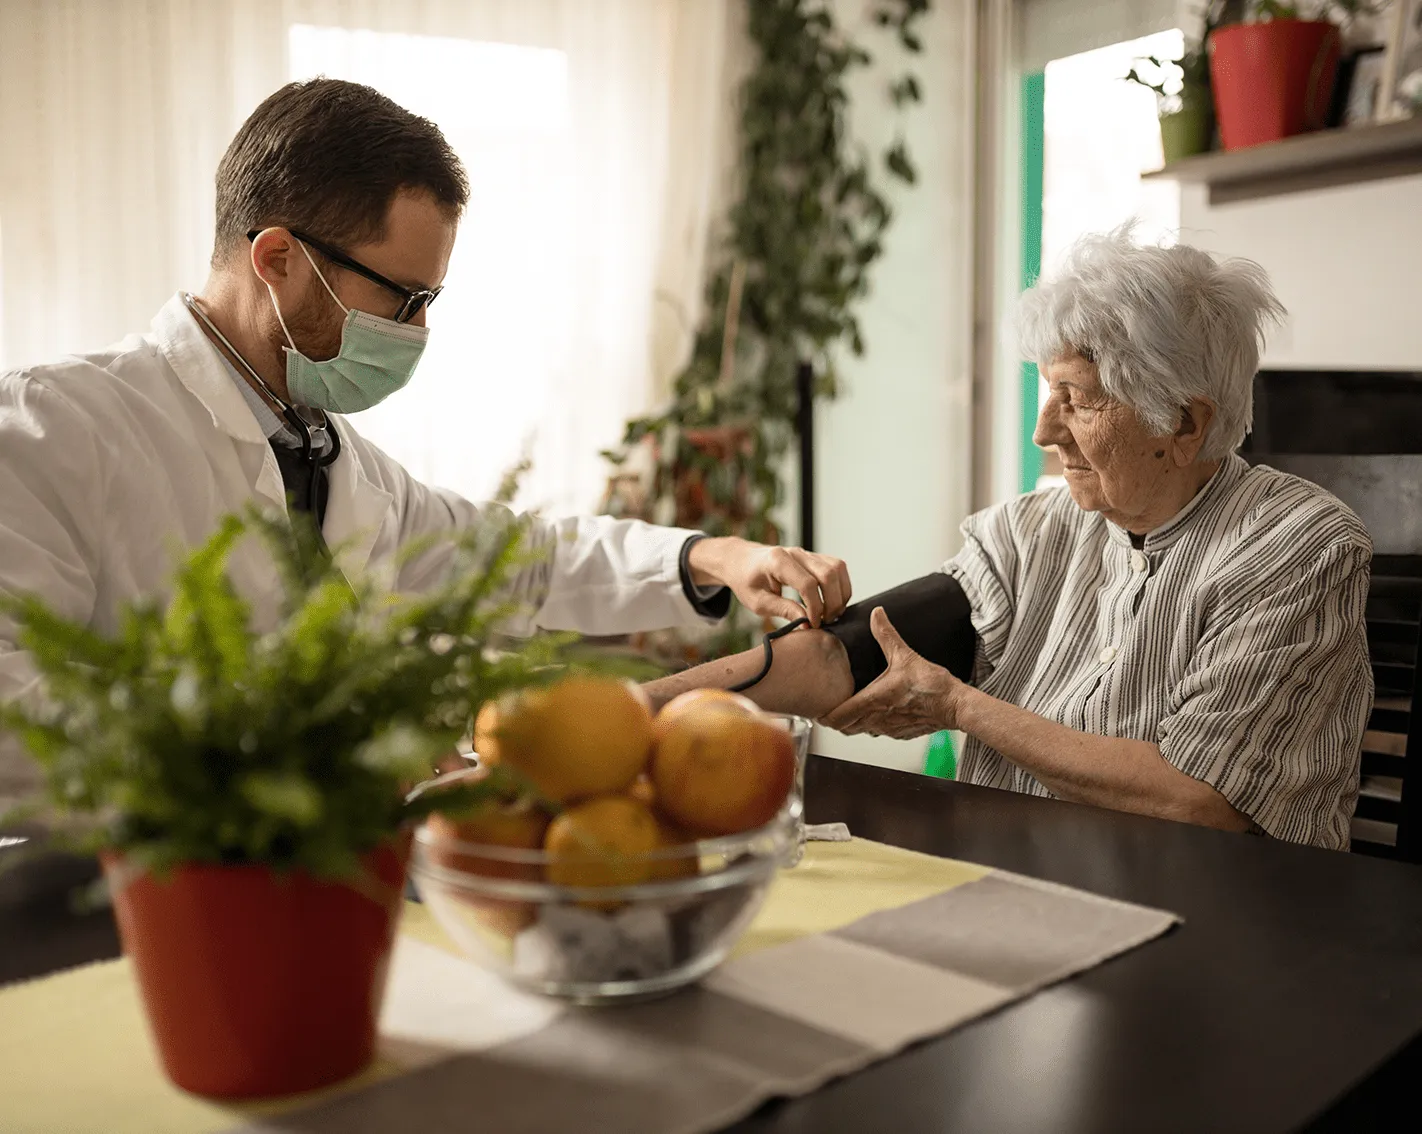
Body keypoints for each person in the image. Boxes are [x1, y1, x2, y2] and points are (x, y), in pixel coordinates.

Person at [0, 79, 850, 803]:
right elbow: (15, 711)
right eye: (405, 299)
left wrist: (715, 558)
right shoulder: (55, 429)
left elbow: (520, 558)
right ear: (278, 258)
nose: (418, 330)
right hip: (98, 915)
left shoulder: (334, 460)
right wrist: (307, 752)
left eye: (431, 300)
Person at [646, 229, 1373, 851]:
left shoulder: (1298, 548)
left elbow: (1199, 798)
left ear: (1184, 424)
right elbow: (844, 655)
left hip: (1227, 930)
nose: (1043, 432)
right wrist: (639, 708)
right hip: (1021, 887)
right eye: (1045, 391)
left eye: (1078, 400)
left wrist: (962, 708)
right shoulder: (1030, 532)